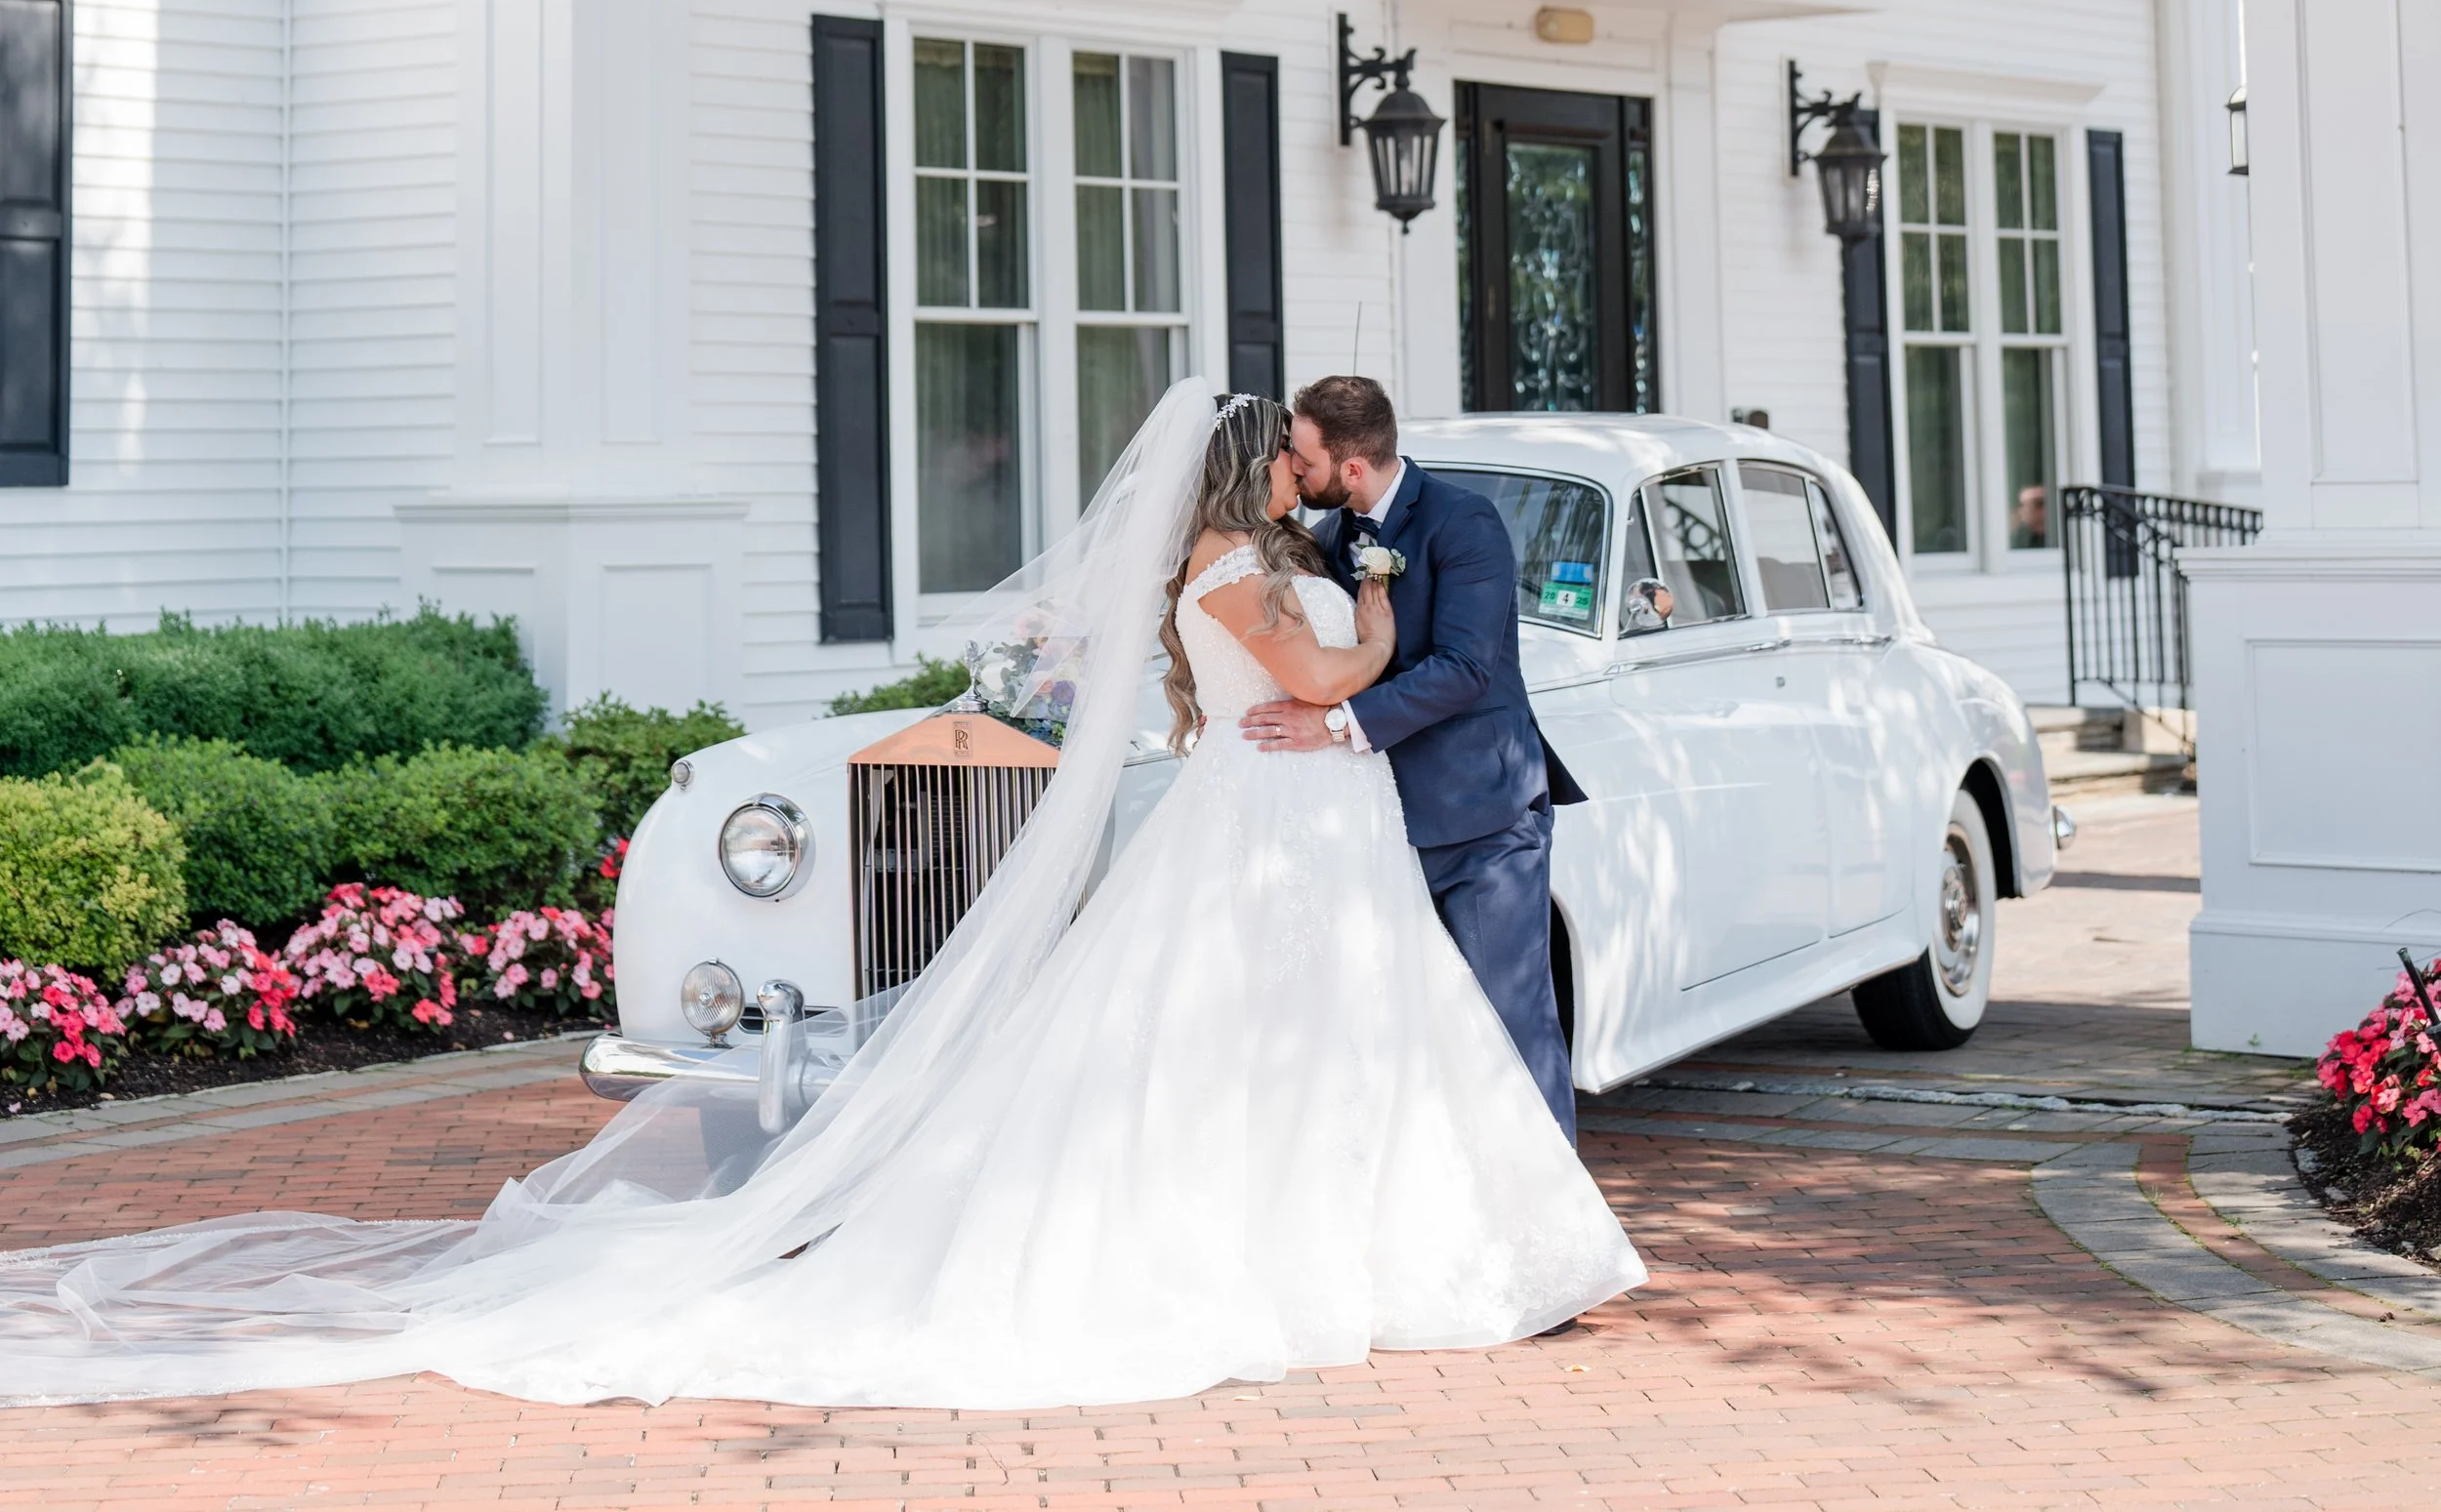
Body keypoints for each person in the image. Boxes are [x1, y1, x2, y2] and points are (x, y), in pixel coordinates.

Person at [0, 382, 1639, 1411]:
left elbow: (1377, 669)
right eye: (1282, 458)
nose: (1303, 473)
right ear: (1247, 477)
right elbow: (1340, 663)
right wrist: (1366, 608)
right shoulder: (1248, 571)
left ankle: (1388, 1241)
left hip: (1304, 822)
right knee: (1240, 1050)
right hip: (1275, 824)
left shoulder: (1252, 561)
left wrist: (1353, 621)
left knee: (1341, 1043)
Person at [1252, 375, 1583, 1134]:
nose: (1295, 473)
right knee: (1412, 1037)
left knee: (1511, 1027)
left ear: (1352, 465)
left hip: (1482, 824)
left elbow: (1466, 669)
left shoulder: (1465, 523)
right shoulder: (1332, 538)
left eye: (1303, 460)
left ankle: (1560, 1217)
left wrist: (1335, 726)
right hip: (1378, 828)